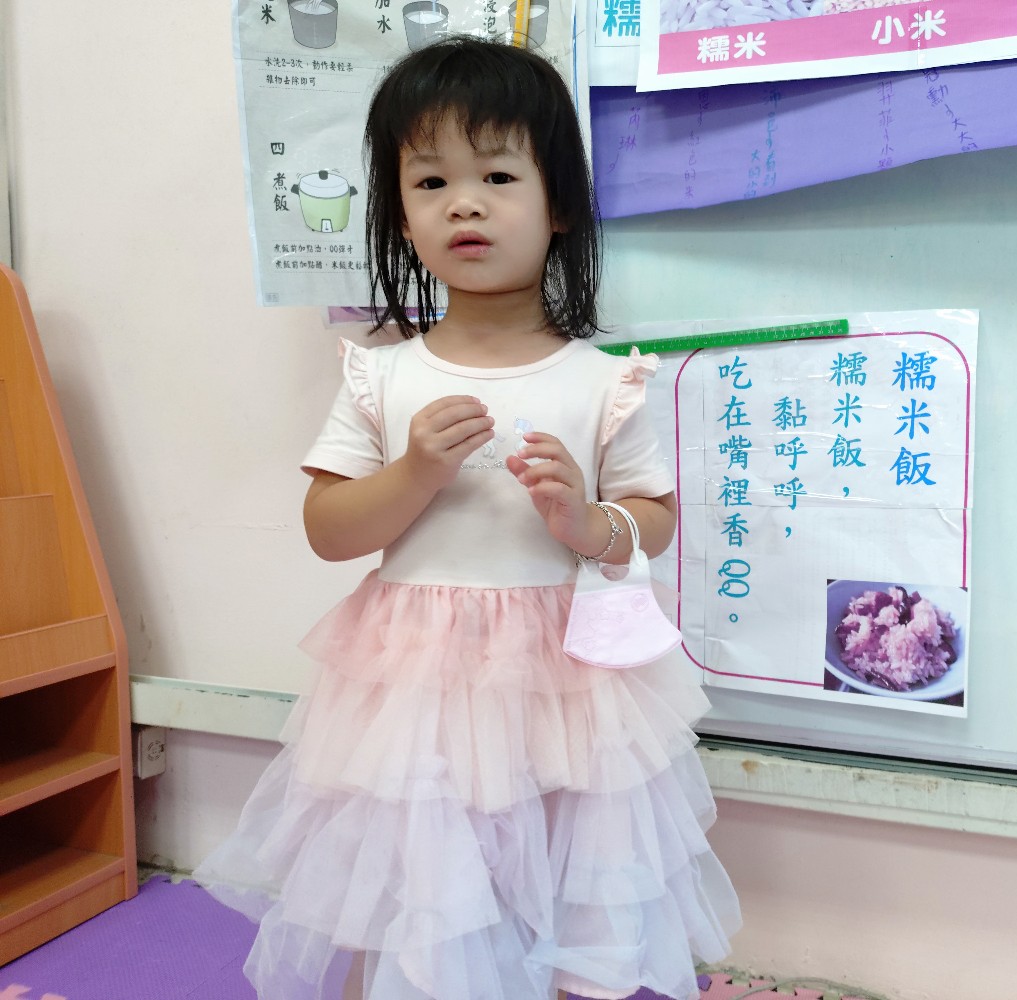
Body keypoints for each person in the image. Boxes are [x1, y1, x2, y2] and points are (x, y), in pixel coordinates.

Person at [194, 35, 740, 1000]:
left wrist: (587, 523)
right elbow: (329, 529)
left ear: (558, 203)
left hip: (567, 676)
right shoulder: (382, 375)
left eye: (497, 174)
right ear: (401, 218)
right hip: (415, 682)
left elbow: (654, 521)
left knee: (573, 876)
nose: (464, 203)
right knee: (417, 891)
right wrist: (413, 473)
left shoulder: (604, 380)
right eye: (431, 181)